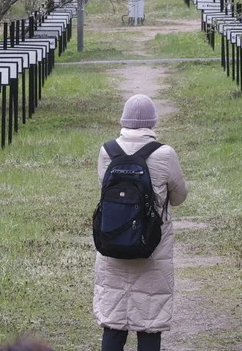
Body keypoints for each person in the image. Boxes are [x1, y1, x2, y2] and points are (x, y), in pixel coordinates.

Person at [94, 94, 189, 351]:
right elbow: (179, 197)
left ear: (124, 120)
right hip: (152, 247)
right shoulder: (165, 154)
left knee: (114, 321)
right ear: (152, 122)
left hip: (112, 242)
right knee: (150, 322)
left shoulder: (107, 151)